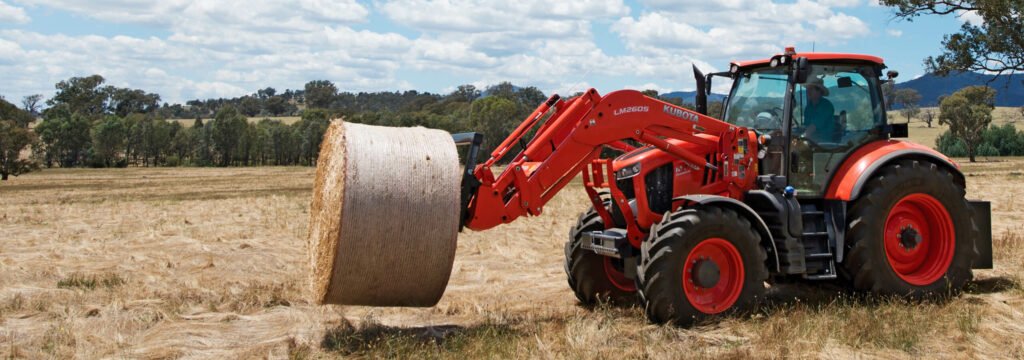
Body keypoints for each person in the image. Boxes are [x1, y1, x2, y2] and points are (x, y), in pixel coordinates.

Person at [801, 78, 836, 142]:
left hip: (824, 145)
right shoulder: (808, 107)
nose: (808, 91)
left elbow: (813, 127)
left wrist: (801, 138)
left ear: (819, 91)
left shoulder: (826, 106)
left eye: (811, 89)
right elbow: (807, 126)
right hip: (811, 142)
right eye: (807, 89)